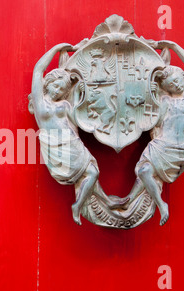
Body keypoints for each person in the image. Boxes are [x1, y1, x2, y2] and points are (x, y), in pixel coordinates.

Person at [29, 43, 126, 225]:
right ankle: (79, 205)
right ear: (48, 84)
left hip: (73, 142)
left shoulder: (65, 104)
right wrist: (55, 49)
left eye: (63, 89)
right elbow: (37, 71)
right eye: (56, 86)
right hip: (58, 146)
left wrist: (81, 91)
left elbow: (76, 117)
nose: (59, 91)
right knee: (91, 172)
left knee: (92, 171)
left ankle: (105, 201)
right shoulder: (41, 104)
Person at [122, 40, 184, 226]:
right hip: (161, 145)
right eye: (171, 83)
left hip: (179, 148)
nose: (176, 84)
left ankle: (154, 203)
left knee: (143, 171)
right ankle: (154, 203)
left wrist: (174, 46)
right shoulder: (164, 102)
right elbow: (152, 120)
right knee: (142, 170)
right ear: (166, 87)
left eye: (178, 79)